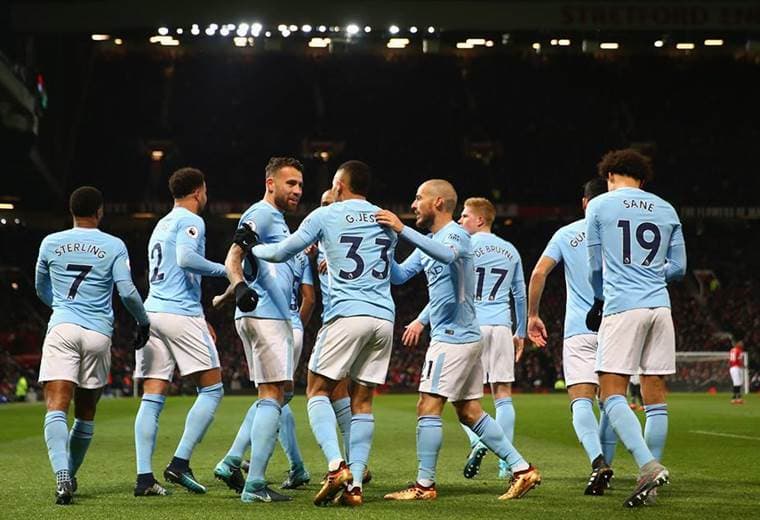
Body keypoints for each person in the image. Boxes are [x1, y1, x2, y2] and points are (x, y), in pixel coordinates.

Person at [377, 180, 541, 502]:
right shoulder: (430, 240)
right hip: (462, 336)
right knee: (469, 411)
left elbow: (447, 255)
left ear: (438, 202)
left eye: (419, 198)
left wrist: (401, 229)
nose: (413, 205)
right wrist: (388, 243)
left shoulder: (456, 235)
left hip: (453, 338)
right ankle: (522, 470)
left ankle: (424, 486)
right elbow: (398, 275)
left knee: (427, 405)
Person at [251, 160, 395, 507]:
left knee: (316, 390)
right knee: (362, 402)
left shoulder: (325, 215)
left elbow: (281, 251)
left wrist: (252, 248)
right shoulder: (387, 219)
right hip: (384, 318)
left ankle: (335, 467)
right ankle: (355, 486)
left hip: (347, 316)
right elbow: (394, 271)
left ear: (339, 186)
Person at [35, 186, 150, 505]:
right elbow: (127, 292)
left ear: (71, 211)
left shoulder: (50, 243)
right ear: (100, 211)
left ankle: (62, 476)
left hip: (63, 328)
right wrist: (143, 321)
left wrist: (62, 308)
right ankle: (71, 473)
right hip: (98, 335)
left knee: (57, 405)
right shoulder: (114, 245)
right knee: (85, 413)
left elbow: (40, 287)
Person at [585, 148, 686, 507]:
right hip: (660, 307)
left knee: (610, 392)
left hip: (622, 307)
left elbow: (595, 266)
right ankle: (651, 486)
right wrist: (650, 274)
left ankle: (647, 467)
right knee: (654, 396)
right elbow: (679, 268)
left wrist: (600, 299)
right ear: (642, 180)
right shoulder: (666, 208)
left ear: (610, 176)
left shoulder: (600, 205)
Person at [405, 197, 527, 480]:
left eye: (465, 216)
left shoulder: (463, 244)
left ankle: (475, 445)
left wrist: (421, 320)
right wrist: (520, 332)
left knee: (449, 398)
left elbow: (448, 290)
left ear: (479, 219)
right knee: (502, 395)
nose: (460, 221)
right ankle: (507, 465)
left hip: (467, 325)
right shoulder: (510, 250)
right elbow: (519, 294)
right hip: (501, 324)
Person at [213, 157, 303, 503]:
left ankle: (236, 462)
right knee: (272, 395)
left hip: (264, 314)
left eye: (300, 184)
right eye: (290, 183)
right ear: (270, 184)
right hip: (266, 316)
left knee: (276, 393)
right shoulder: (262, 213)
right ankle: (255, 485)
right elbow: (234, 255)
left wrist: (228, 294)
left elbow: (254, 266)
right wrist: (238, 288)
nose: (297, 190)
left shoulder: (277, 220)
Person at [133, 168, 227, 497]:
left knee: (152, 396)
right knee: (212, 389)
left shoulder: (161, 224)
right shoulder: (192, 220)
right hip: (179, 314)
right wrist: (226, 270)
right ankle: (180, 462)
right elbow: (186, 259)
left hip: (151, 313)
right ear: (199, 191)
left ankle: (144, 478)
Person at [527, 178, 616, 495]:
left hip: (579, 329)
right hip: (616, 326)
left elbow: (539, 273)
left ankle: (597, 461)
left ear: (584, 203)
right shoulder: (620, 233)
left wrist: (533, 315)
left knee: (581, 401)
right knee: (612, 402)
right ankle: (610, 466)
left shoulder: (566, 234)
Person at [729, 340, 745, 404]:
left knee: (737, 383)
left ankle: (737, 398)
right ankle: (735, 399)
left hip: (732, 368)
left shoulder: (732, 350)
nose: (742, 345)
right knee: (737, 383)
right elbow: (740, 360)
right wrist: (744, 366)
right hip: (736, 368)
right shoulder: (739, 350)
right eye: (741, 343)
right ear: (737, 344)